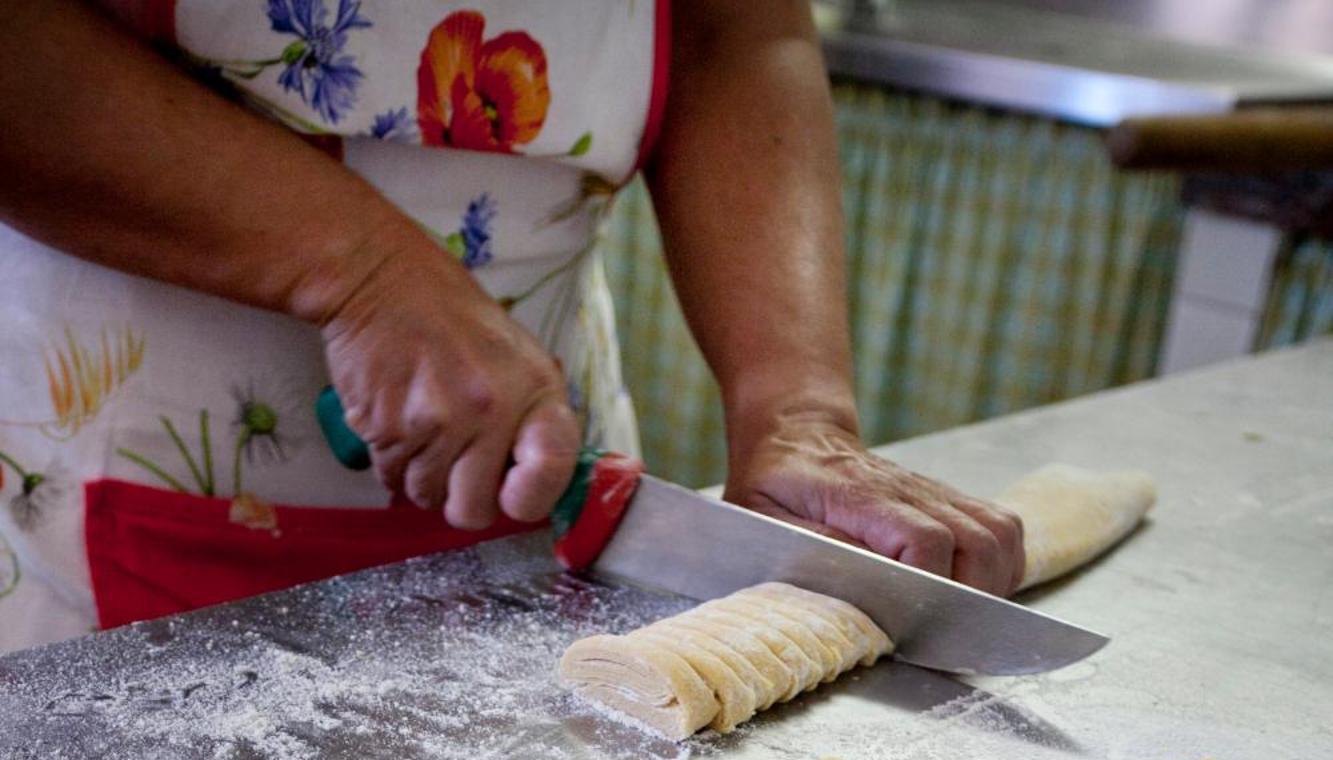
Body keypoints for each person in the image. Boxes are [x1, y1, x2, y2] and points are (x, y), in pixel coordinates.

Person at [0, 0, 1024, 656]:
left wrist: (799, 408)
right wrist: (361, 273)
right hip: (119, 463)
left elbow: (739, 28)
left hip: (548, 456)